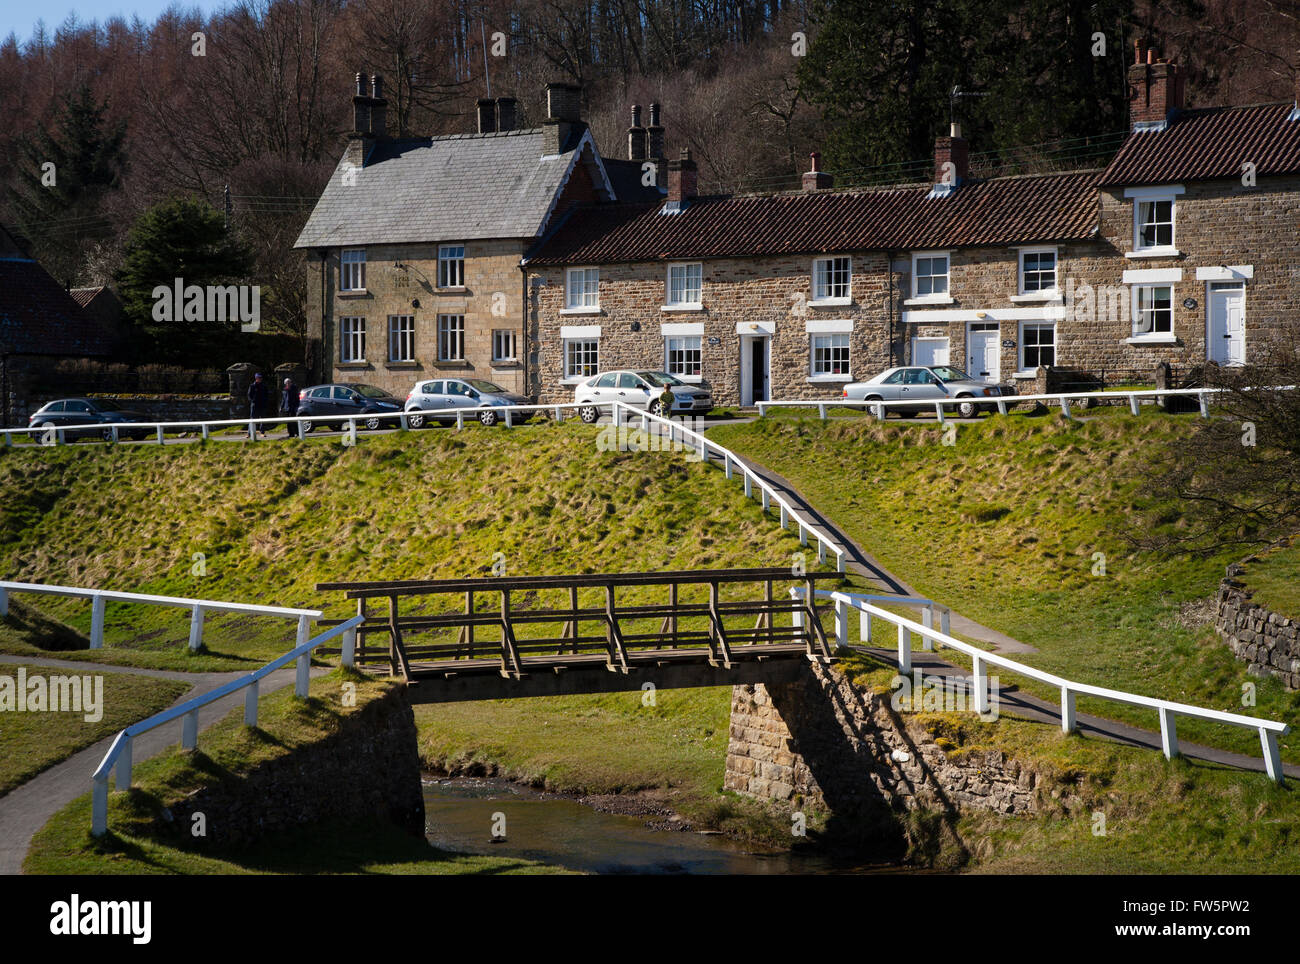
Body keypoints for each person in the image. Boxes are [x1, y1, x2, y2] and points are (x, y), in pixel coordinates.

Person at [247, 372, 268, 438]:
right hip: (254, 405)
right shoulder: (252, 386)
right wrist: (252, 401)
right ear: (256, 378)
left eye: (260, 378)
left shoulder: (264, 386)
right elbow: (249, 395)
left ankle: (262, 432)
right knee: (252, 419)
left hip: (262, 404)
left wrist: (265, 401)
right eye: (258, 378)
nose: (260, 379)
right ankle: (249, 433)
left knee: (262, 419)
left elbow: (266, 394)